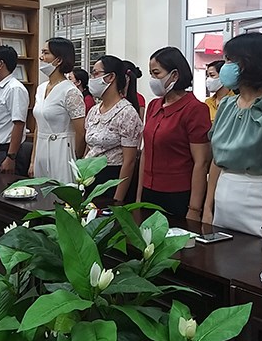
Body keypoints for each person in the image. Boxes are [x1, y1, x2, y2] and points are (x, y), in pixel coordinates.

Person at [202, 33, 262, 242]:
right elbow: (217, 161)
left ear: (248, 63)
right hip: (223, 196)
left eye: (229, 60)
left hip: (258, 199)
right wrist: (207, 208)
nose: (225, 67)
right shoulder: (226, 105)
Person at [137, 47, 211, 220]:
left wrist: (194, 209)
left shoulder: (195, 109)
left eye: (157, 73)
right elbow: (146, 152)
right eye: (151, 74)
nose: (153, 79)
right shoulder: (154, 106)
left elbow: (201, 162)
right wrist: (139, 196)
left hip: (178, 194)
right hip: (149, 190)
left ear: (175, 75)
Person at [84, 55, 143, 201]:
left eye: (95, 73)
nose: (92, 79)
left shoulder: (126, 113)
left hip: (111, 179)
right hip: (90, 175)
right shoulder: (94, 110)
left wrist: (118, 199)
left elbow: (129, 162)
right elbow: (89, 147)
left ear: (110, 77)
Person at [30, 37, 86, 183]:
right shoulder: (41, 88)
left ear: (59, 60)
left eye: (46, 53)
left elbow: (81, 132)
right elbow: (38, 127)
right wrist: (33, 160)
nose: (41, 57)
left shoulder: (70, 91)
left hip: (62, 150)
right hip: (42, 149)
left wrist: (75, 156)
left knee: (61, 191)